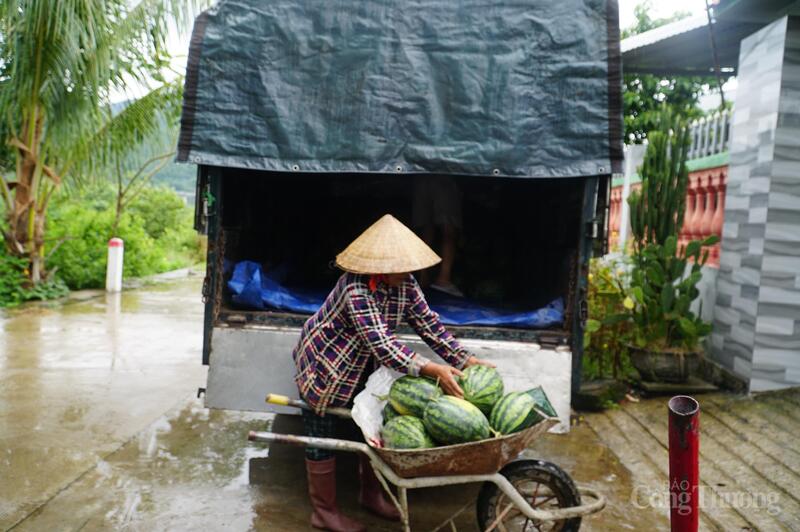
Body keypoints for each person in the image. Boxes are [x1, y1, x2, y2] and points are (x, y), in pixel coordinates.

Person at [293, 214, 493, 532]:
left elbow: (429, 324)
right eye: (403, 266)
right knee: (323, 435)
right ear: (382, 267)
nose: (410, 272)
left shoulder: (407, 284)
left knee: (374, 426)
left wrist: (465, 359)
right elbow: (383, 344)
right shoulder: (355, 288)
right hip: (328, 367)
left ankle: (370, 495)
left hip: (366, 366)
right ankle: (324, 511)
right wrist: (431, 369)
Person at [413, 175, 464, 297]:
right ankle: (443, 280)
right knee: (448, 230)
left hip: (422, 175)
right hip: (443, 176)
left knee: (426, 229)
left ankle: (422, 277)